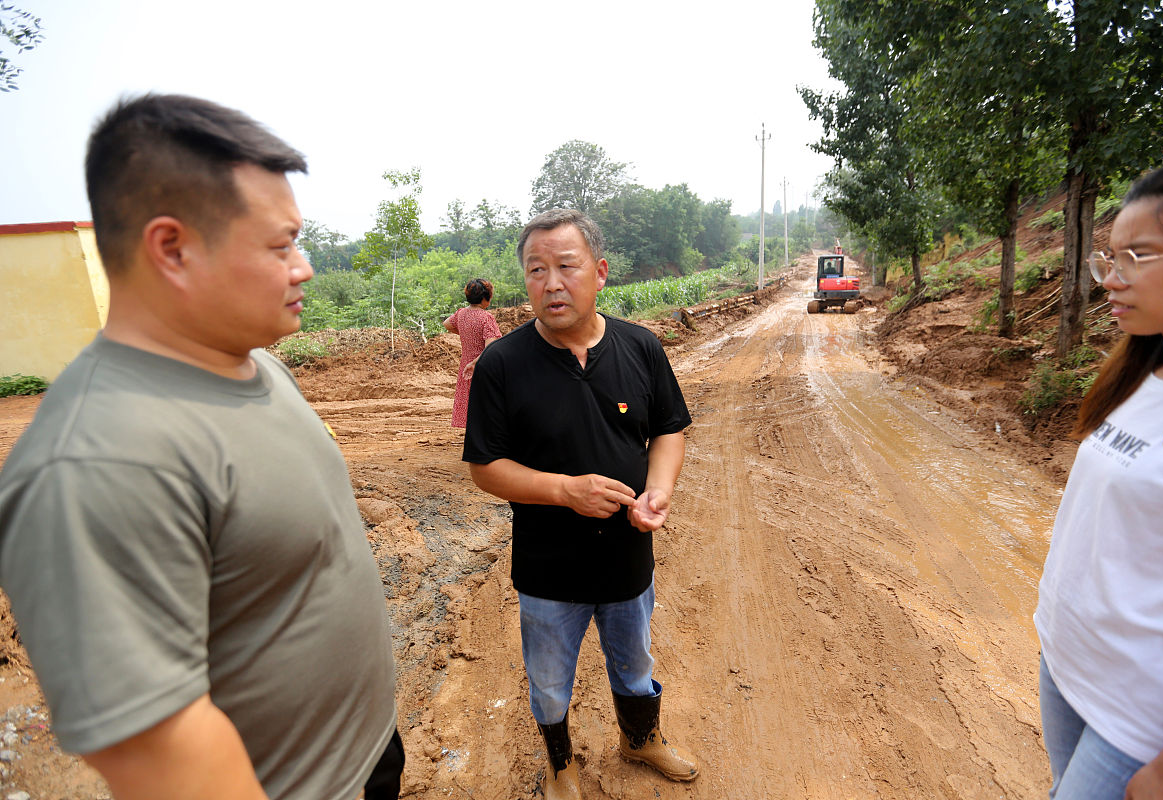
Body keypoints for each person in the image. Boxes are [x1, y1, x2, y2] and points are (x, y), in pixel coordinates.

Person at [0, 94, 404, 800]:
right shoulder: (97, 461)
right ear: (173, 249)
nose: (304, 268)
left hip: (368, 759)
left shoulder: (258, 366)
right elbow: (161, 753)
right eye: (280, 246)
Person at [463, 209, 699, 798]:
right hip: (548, 567)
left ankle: (640, 739)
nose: (551, 284)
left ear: (600, 272)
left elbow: (668, 429)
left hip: (627, 555)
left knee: (635, 664)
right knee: (549, 681)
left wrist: (659, 490)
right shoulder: (502, 364)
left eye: (566, 267)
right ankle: (560, 764)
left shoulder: (641, 347)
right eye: (536, 270)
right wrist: (565, 491)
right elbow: (485, 468)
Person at [1034, 150, 1163, 800]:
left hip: (1140, 713)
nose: (1112, 278)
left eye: (1139, 255)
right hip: (1066, 666)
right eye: (1110, 257)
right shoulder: (1139, 375)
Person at [443, 278, 502, 428]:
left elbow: (447, 324)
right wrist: (475, 363)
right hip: (482, 367)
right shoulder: (486, 317)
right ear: (485, 298)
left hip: (465, 365)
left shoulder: (461, 314)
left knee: (470, 405)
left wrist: (464, 334)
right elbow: (490, 348)